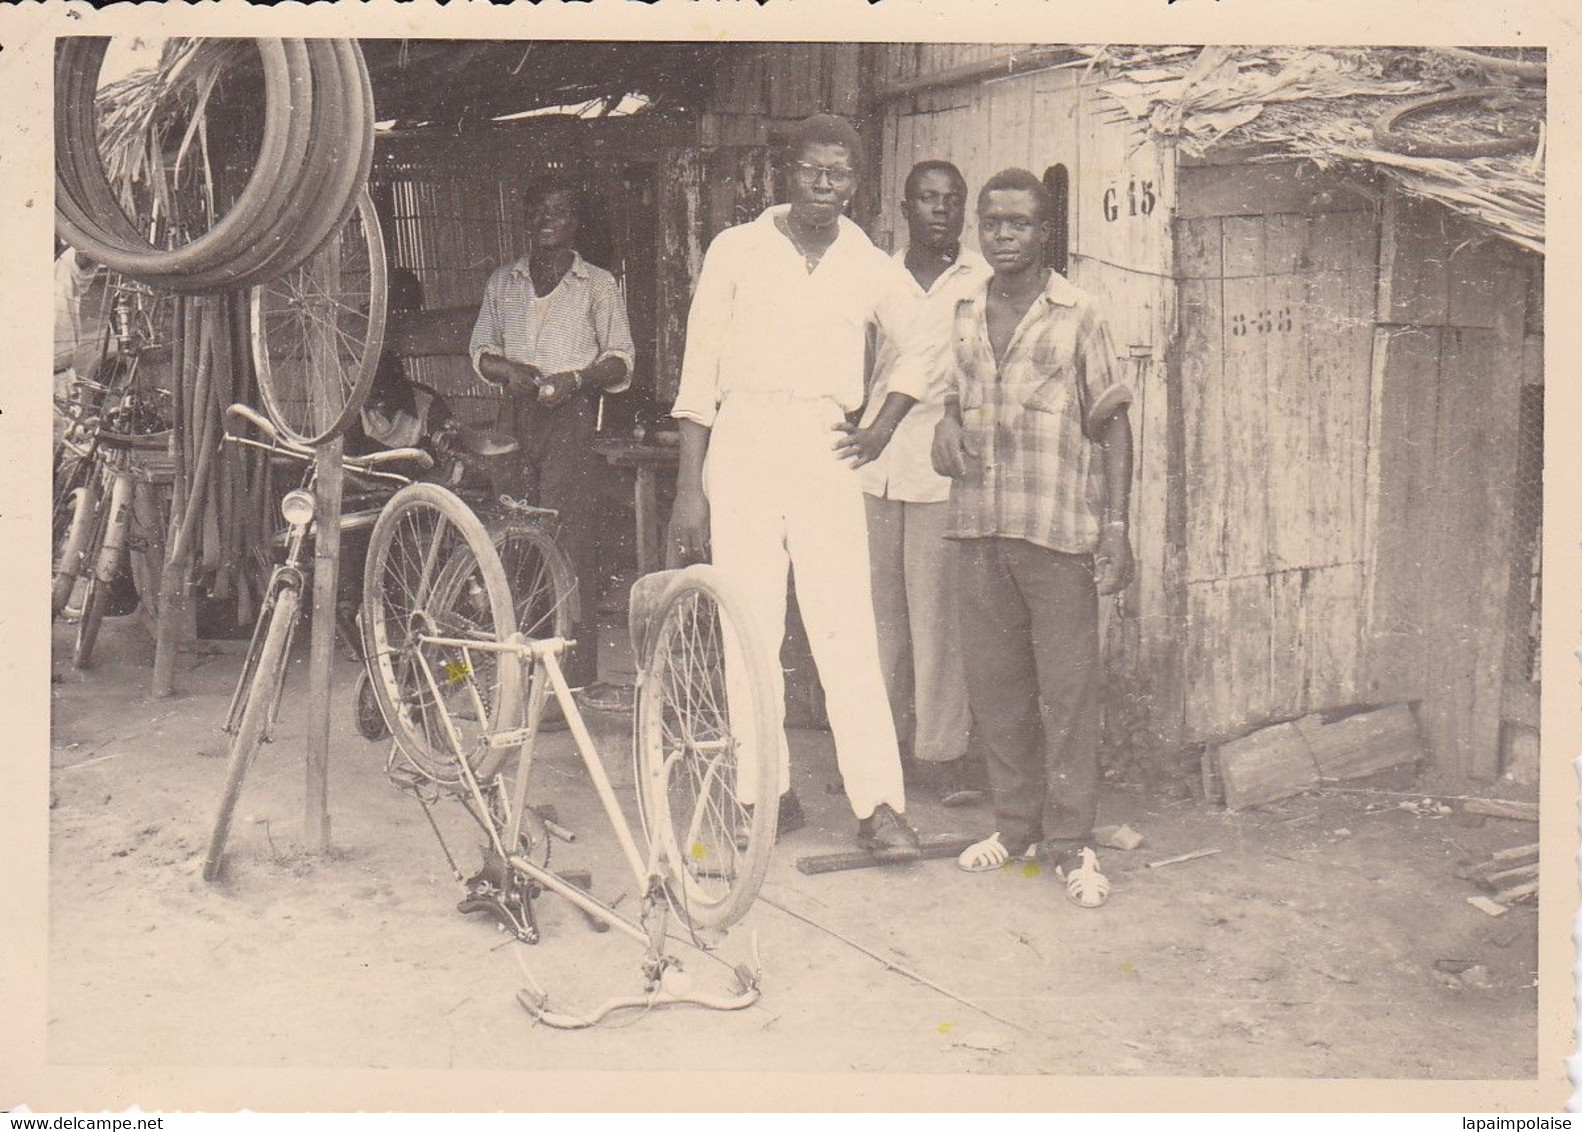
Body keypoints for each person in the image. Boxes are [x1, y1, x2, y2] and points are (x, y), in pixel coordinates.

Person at [670, 113, 931, 853]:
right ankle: (762, 792)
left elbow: (926, 345)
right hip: (745, 439)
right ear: (785, 173)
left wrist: (881, 426)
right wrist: (691, 486)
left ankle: (879, 806)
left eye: (840, 173)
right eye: (812, 170)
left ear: (857, 183)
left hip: (824, 446)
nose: (825, 185)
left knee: (844, 624)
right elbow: (699, 372)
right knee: (748, 622)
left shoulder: (870, 263)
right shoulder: (738, 250)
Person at [932, 168, 1136, 907]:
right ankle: (1014, 827)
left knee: (1069, 692)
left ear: (1045, 231)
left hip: (1056, 534)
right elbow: (952, 403)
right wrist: (946, 429)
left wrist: (1116, 526)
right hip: (980, 527)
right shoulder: (962, 309)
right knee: (998, 691)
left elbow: (1114, 423)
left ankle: (1074, 844)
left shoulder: (1080, 313)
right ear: (977, 230)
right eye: (992, 224)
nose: (1005, 237)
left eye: (1019, 224)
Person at [469, 177, 636, 711]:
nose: (546, 221)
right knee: (515, 533)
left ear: (575, 223)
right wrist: (510, 370)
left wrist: (576, 379)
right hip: (514, 416)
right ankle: (521, 670)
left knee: (567, 536)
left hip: (569, 415)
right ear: (525, 219)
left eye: (558, 212)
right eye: (537, 211)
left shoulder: (598, 285)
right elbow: (480, 352)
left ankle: (575, 674)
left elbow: (621, 359)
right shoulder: (504, 283)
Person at [861, 160, 990, 807]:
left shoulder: (983, 278)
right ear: (904, 207)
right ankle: (875, 756)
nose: (940, 210)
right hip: (873, 464)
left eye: (951, 200)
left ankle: (937, 753)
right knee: (876, 619)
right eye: (927, 199)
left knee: (937, 618)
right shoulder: (876, 277)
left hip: (943, 464)